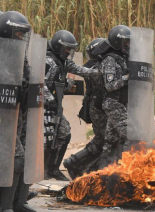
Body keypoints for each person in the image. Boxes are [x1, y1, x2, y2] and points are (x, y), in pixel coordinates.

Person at [43, 30, 98, 181]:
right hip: (42, 107)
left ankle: (53, 169)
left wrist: (99, 72)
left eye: (70, 49)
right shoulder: (49, 61)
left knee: (64, 133)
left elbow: (81, 70)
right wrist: (50, 101)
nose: (68, 52)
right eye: (66, 48)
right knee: (45, 140)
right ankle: (42, 170)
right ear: (58, 46)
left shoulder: (63, 61)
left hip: (54, 107)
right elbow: (40, 83)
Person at [0, 11, 36, 212]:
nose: (21, 38)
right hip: (0, 116)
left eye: (23, 34)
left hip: (19, 113)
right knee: (15, 160)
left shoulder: (21, 56)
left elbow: (27, 79)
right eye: (18, 34)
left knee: (24, 159)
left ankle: (18, 202)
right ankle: (2, 206)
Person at [63, 38, 109, 180]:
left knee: (101, 140)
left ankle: (78, 164)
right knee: (103, 141)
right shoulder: (95, 68)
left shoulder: (91, 65)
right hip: (98, 108)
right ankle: (79, 166)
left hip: (96, 107)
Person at [97, 25, 131, 169]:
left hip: (119, 103)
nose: (129, 45)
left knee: (111, 141)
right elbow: (109, 86)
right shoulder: (109, 60)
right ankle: (127, 168)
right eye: (126, 42)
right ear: (118, 42)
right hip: (113, 103)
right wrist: (127, 78)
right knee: (130, 134)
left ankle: (103, 171)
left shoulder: (122, 58)